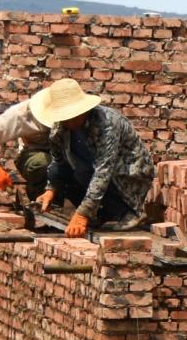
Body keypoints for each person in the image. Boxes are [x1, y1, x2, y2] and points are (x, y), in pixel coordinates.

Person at [29, 78, 156, 237]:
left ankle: (127, 213)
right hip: (92, 171)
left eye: (73, 116)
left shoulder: (107, 124)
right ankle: (100, 214)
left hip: (128, 174)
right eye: (65, 117)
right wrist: (51, 190)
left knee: (89, 172)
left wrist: (82, 214)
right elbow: (58, 163)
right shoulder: (60, 130)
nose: (69, 121)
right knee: (62, 171)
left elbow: (103, 170)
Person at [0, 95, 49, 194]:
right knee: (42, 162)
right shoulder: (22, 112)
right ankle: (40, 198)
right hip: (36, 153)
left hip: (65, 155)